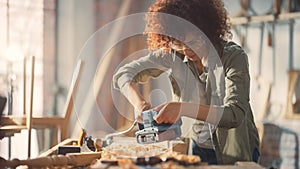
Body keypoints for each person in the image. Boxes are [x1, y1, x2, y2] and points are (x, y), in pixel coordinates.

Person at [113, 0, 260, 165]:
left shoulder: (233, 57)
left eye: (194, 42)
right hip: (198, 147)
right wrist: (139, 105)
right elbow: (123, 74)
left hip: (234, 150)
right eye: (178, 43)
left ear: (208, 31)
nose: (186, 50)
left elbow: (234, 115)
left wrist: (182, 108)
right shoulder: (173, 55)